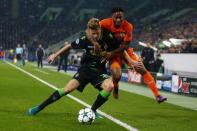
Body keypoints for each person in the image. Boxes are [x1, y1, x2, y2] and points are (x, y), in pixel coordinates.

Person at [28, 18, 118, 118]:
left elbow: (120, 49)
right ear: (89, 31)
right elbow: (69, 46)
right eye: (93, 33)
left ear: (100, 29)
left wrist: (128, 61)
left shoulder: (108, 37)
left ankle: (92, 111)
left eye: (97, 33)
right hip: (85, 70)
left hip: (99, 71)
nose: (95, 36)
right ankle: (39, 108)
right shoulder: (85, 39)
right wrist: (55, 55)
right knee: (67, 89)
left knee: (109, 86)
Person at [100, 7, 167, 103]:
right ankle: (116, 87)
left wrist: (128, 60)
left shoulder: (128, 26)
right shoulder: (104, 23)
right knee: (117, 75)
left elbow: (125, 46)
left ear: (123, 17)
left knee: (142, 69)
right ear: (112, 17)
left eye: (120, 17)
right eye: (116, 17)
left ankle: (157, 95)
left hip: (125, 51)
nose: (118, 20)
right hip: (114, 54)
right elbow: (95, 31)